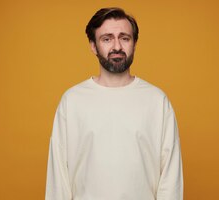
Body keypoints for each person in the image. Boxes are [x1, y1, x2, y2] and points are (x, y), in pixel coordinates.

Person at [45, 7, 183, 200]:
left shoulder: (157, 101)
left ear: (134, 44)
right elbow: (58, 176)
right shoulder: (72, 101)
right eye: (107, 38)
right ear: (93, 45)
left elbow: (170, 177)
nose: (117, 47)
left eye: (124, 38)